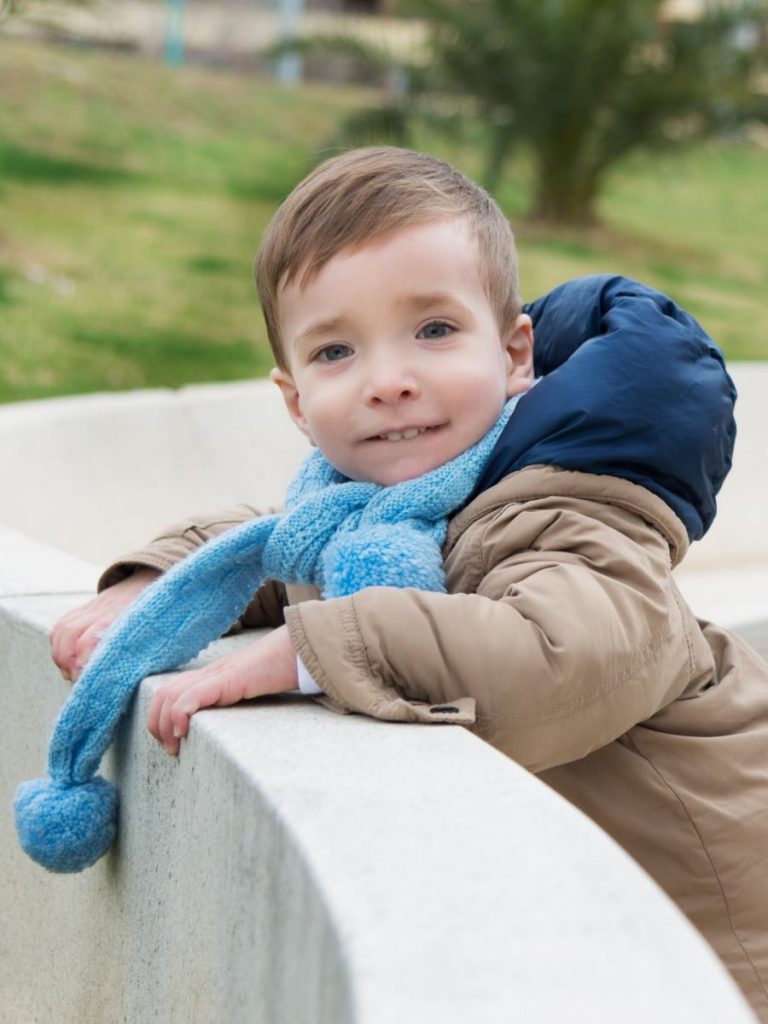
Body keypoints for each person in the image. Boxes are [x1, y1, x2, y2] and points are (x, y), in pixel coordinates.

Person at [48, 147, 768, 1017]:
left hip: (718, 955)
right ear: (294, 401)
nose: (390, 382)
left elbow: (562, 655)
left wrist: (312, 651)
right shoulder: (378, 513)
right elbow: (275, 552)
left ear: (514, 357)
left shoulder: (567, 508)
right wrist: (157, 584)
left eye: (433, 331)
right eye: (338, 350)